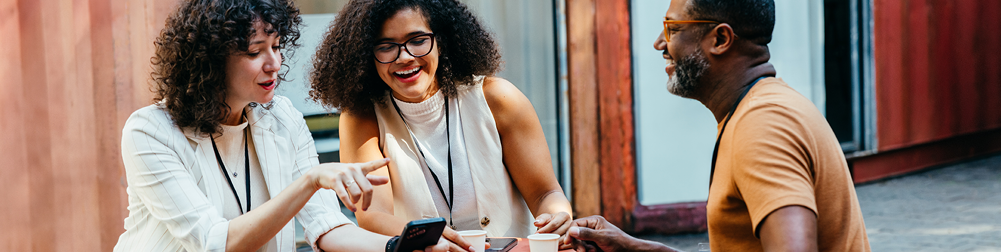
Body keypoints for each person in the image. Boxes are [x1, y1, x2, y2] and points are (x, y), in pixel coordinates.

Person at [114, 0, 448, 251]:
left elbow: (327, 226)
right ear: (211, 59)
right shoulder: (150, 131)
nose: (275, 64)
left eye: (276, 47)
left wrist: (399, 246)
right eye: (255, 51)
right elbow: (213, 242)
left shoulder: (282, 117)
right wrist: (310, 181)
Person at [566, 0, 871, 251]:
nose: (660, 43)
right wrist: (635, 249)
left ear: (721, 39)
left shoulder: (764, 124)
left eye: (672, 29)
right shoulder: (758, 108)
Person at [309, 0, 574, 250]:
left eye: (418, 40)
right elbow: (374, 217)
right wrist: (437, 238)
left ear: (441, 40)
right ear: (367, 56)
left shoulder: (498, 99)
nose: (405, 57)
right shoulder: (362, 118)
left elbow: (545, 193)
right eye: (386, 46)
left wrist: (557, 216)